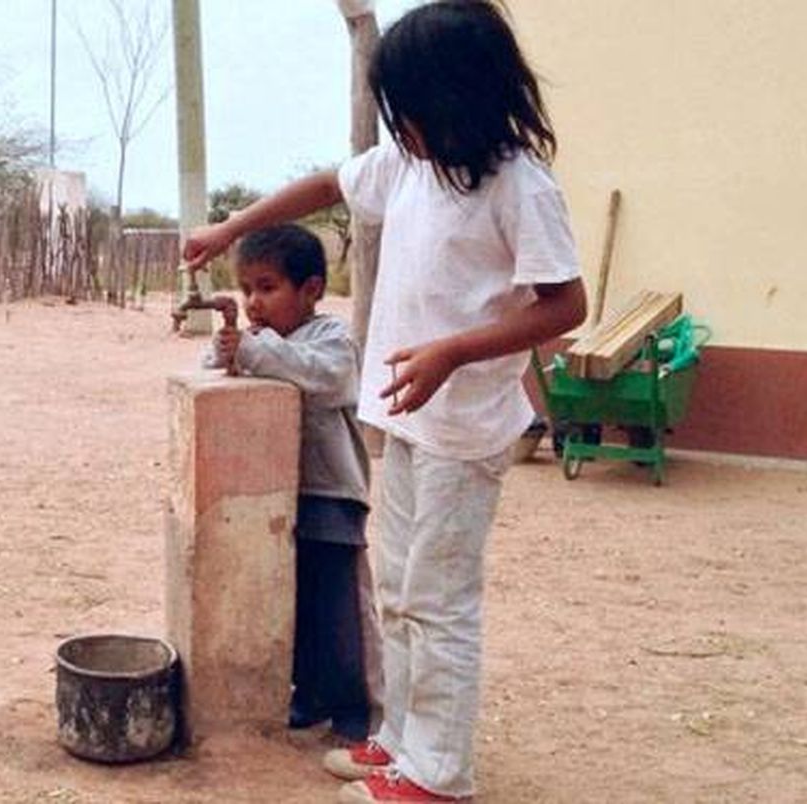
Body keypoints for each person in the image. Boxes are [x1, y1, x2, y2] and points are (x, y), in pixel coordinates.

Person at [184, 2, 587, 800]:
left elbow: (565, 305)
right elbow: (328, 182)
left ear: (462, 97)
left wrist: (454, 351)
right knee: (399, 587)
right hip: (402, 416)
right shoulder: (410, 166)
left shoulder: (517, 186)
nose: (401, 128)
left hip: (463, 428)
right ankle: (401, 742)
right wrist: (234, 226)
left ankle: (439, 775)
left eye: (411, 110)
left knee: (438, 599)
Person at [203, 223, 381, 746]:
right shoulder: (261, 340)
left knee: (339, 608)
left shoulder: (331, 340)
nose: (254, 302)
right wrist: (226, 350)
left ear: (312, 291)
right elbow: (216, 371)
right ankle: (310, 694)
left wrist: (252, 350)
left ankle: (355, 707)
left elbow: (325, 379)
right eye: (247, 289)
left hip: (331, 493)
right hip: (278, 496)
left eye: (267, 287)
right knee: (294, 603)